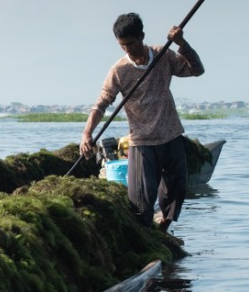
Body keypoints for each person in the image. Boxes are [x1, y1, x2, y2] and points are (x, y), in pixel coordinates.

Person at [79, 13, 204, 232]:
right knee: (140, 199)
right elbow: (101, 104)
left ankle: (163, 228)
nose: (127, 49)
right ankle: (146, 233)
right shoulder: (119, 71)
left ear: (142, 37)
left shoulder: (163, 55)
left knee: (176, 191)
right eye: (122, 45)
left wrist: (182, 44)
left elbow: (197, 70)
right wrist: (87, 133)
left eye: (131, 43)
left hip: (171, 134)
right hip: (142, 140)